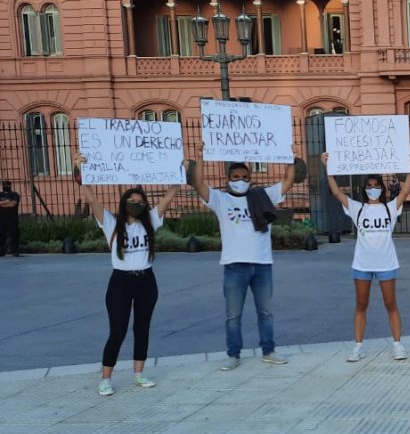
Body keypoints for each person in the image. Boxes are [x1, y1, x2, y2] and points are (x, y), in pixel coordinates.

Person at [74, 155, 183, 395]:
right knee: (118, 331)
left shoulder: (151, 221)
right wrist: (80, 168)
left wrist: (181, 170)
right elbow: (91, 198)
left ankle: (139, 373)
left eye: (141, 201)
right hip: (120, 282)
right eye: (132, 201)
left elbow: (170, 194)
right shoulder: (111, 223)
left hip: (146, 280)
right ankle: (105, 378)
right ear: (124, 203)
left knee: (142, 328)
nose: (137, 204)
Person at [186, 156, 296, 370]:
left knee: (265, 313)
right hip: (235, 266)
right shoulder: (220, 199)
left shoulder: (263, 196)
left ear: (251, 178)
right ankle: (233, 354)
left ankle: (269, 351)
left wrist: (287, 156)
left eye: (245, 177)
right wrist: (199, 156)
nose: (241, 180)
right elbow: (199, 183)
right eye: (236, 177)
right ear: (228, 179)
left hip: (262, 264)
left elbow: (288, 181)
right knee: (233, 316)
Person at [322, 153, 410, 362]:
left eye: (376, 185)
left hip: (386, 264)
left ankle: (398, 345)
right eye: (369, 185)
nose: (373, 188)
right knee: (361, 305)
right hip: (362, 264)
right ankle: (358, 346)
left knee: (391, 303)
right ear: (365, 189)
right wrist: (328, 167)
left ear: (382, 188)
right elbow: (336, 192)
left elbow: (406, 191)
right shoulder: (357, 208)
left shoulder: (390, 208)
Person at [0, 180, 20, 257]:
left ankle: (15, 251)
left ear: (10, 186)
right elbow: (10, 203)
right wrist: (7, 201)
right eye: (4, 185)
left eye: (7, 185)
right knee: (1, 235)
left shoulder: (15, 195)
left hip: (12, 218)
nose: (5, 187)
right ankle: (1, 251)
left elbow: (13, 204)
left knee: (14, 235)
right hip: (1, 219)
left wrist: (1, 204)